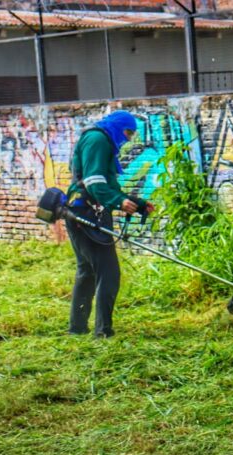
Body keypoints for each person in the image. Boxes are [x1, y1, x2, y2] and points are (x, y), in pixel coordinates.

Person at [64, 110, 152, 338]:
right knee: (108, 273)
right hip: (86, 213)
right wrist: (118, 202)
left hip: (82, 211)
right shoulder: (98, 140)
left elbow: (106, 186)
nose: (128, 138)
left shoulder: (99, 139)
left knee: (88, 272)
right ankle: (103, 332)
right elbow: (94, 182)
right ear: (117, 126)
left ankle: (77, 328)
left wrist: (136, 203)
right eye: (128, 132)